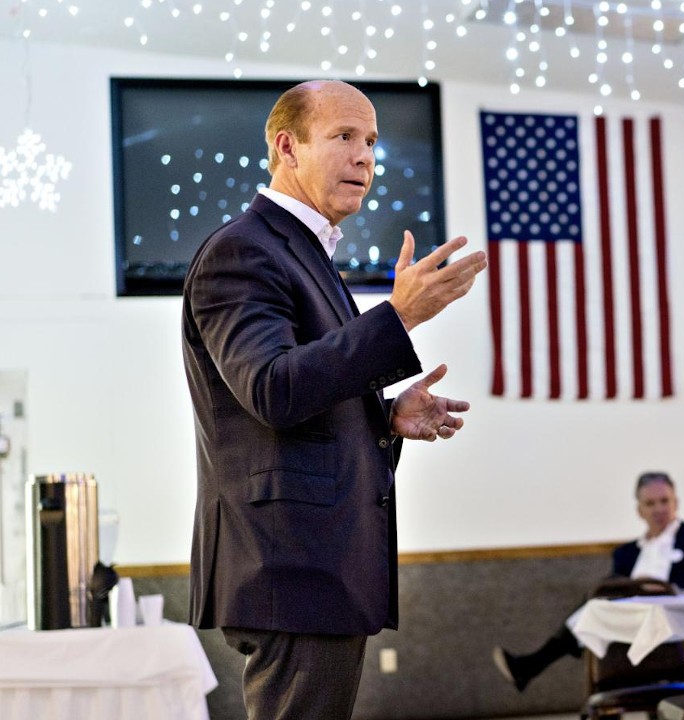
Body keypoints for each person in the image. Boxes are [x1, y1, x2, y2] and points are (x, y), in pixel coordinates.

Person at [181, 80, 487, 719]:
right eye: (344, 136)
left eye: (372, 141)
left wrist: (386, 415)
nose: (366, 157)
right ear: (286, 147)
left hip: (317, 562)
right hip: (289, 564)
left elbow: (309, 391)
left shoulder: (310, 258)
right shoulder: (243, 250)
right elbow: (271, 388)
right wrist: (397, 319)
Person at [493, 472, 684, 691]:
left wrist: (664, 587)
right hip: (632, 618)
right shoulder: (626, 553)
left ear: (676, 502)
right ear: (639, 510)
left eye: (664, 501)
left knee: (594, 602)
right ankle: (532, 666)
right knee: (598, 600)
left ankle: (531, 665)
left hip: (676, 613)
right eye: (650, 504)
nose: (659, 509)